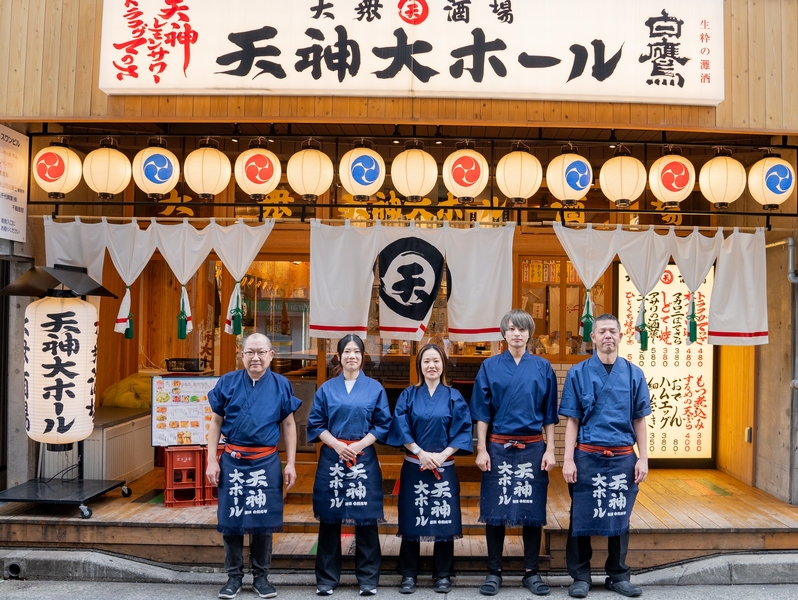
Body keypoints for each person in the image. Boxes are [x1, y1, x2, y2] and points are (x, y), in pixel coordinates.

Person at [559, 313, 651, 599]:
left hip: (623, 455)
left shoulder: (634, 373)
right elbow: (572, 420)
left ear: (621, 336)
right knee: (580, 517)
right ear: (593, 337)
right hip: (587, 454)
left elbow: (639, 419)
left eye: (613, 331)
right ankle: (580, 576)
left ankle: (618, 574)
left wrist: (644, 457)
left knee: (619, 515)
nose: (608, 336)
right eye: (602, 331)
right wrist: (568, 459)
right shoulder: (578, 372)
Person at [470, 309, 559, 596]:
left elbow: (549, 414)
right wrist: (481, 449)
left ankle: (531, 572)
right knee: (496, 510)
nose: (517, 334)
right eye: (511, 329)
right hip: (498, 445)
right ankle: (493, 571)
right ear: (504, 333)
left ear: (529, 333)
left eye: (522, 329)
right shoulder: (490, 365)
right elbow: (482, 413)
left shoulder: (543, 367)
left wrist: (551, 449)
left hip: (533, 446)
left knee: (531, 510)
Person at [206, 333, 301, 600]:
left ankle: (262, 577)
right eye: (250, 352)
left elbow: (289, 425)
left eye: (261, 352)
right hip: (233, 460)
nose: (255, 357)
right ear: (242, 355)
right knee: (232, 519)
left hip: (266, 460)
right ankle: (233, 577)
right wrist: (211, 460)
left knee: (263, 520)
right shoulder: (227, 382)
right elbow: (215, 423)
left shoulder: (282, 384)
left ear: (271, 355)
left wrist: (291, 463)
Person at [307, 334, 392, 596]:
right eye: (347, 352)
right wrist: (336, 445)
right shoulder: (326, 388)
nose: (351, 356)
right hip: (333, 457)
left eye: (356, 351)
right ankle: (327, 579)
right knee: (330, 519)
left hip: (362, 457)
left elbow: (383, 424)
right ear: (339, 356)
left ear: (363, 357)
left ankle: (368, 578)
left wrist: (358, 445)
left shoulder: (375, 388)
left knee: (365, 519)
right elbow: (316, 424)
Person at [387, 344, 474, 594]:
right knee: (412, 517)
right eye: (426, 361)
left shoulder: (454, 396)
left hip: (444, 466)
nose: (431, 366)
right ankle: (408, 573)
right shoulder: (408, 395)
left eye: (436, 361)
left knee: (444, 518)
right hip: (416, 465)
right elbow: (400, 426)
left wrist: (441, 455)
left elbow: (462, 430)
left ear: (443, 364)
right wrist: (420, 453)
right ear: (419, 366)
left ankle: (443, 573)